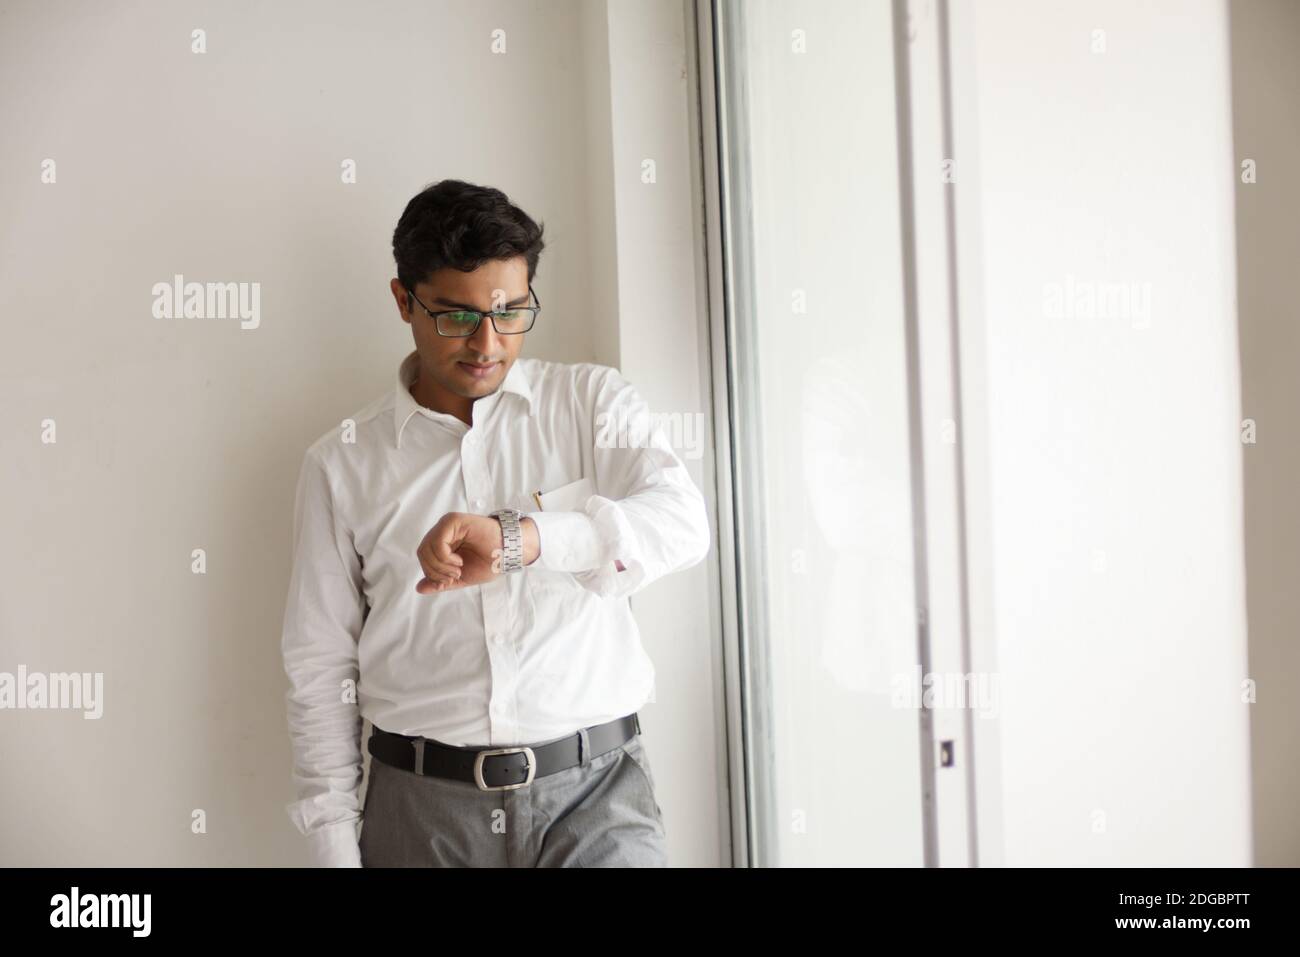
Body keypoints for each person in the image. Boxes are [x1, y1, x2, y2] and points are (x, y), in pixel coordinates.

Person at [279, 179, 711, 867]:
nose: (487, 342)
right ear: (403, 300)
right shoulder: (340, 465)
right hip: (423, 812)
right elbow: (319, 666)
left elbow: (684, 522)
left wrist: (527, 539)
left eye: (510, 311)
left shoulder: (590, 401)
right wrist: (333, 848)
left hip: (596, 797)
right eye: (456, 315)